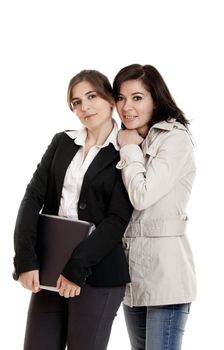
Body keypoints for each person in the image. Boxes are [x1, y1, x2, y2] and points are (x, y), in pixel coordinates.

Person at [13, 69, 133, 350]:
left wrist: (76, 267)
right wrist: (26, 260)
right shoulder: (62, 142)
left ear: (110, 99)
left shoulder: (127, 149)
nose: (84, 107)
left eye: (91, 96)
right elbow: (32, 198)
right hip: (51, 267)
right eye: (76, 102)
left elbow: (117, 220)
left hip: (98, 272)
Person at [112, 64, 196, 350]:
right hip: (131, 279)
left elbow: (143, 196)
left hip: (166, 276)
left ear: (155, 99)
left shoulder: (175, 139)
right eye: (120, 98)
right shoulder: (127, 139)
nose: (126, 107)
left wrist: (129, 149)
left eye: (137, 97)